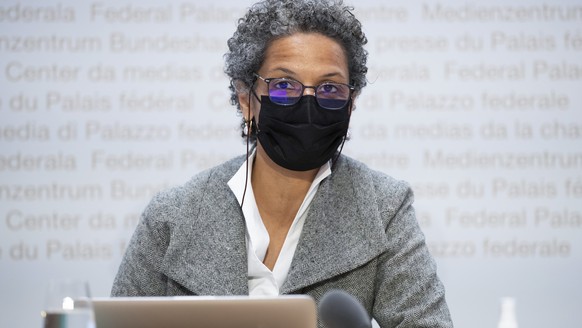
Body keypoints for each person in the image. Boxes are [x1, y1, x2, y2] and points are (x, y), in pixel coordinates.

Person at [111, 0, 454, 327]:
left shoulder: (384, 207)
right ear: (247, 99)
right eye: (284, 85)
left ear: (351, 104)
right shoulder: (171, 217)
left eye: (330, 89)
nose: (307, 102)